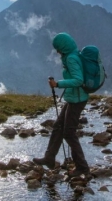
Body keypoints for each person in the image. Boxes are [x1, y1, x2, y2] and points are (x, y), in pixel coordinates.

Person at [33, 32, 90, 178]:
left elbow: (78, 80)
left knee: (69, 133)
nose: (57, 51)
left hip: (77, 99)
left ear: (63, 47)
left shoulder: (71, 58)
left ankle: (82, 167)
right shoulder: (72, 54)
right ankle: (49, 158)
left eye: (58, 48)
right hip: (74, 98)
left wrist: (58, 84)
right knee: (58, 126)